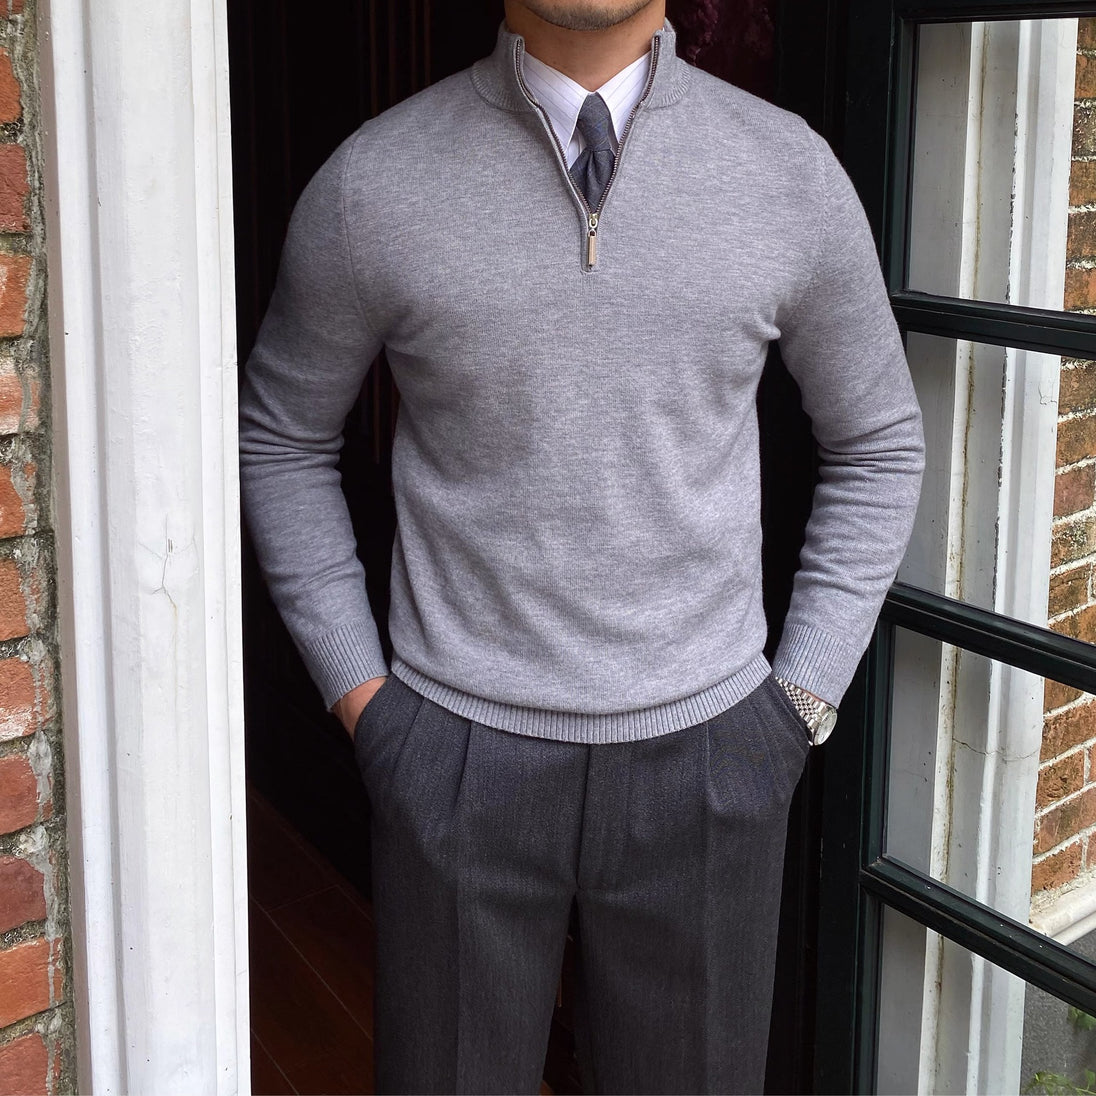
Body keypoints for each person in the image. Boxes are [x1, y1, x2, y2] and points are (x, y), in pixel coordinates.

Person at [237, 0, 925, 1091]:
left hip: (712, 756)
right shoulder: (374, 184)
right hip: (455, 755)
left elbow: (879, 443)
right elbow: (281, 437)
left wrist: (795, 706)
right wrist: (367, 701)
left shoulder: (786, 171)